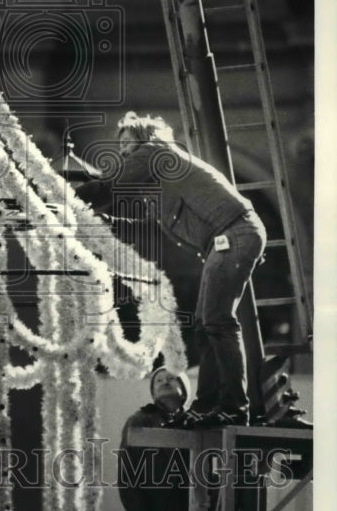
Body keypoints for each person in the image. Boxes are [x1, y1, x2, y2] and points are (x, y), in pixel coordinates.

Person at [76, 111, 266, 428]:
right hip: (227, 239)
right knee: (207, 325)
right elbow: (135, 212)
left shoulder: (154, 152)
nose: (123, 151)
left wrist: (65, 199)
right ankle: (208, 405)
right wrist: (103, 218)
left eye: (127, 143)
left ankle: (234, 406)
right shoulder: (159, 181)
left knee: (217, 323)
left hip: (232, 235)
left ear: (145, 138)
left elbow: (110, 188)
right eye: (120, 145)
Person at [109, 367, 191, 511]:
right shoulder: (139, 421)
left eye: (171, 378)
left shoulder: (195, 424)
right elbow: (127, 473)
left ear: (184, 388)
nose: (164, 382)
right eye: (158, 380)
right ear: (152, 393)